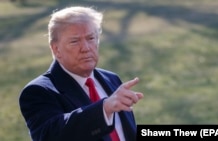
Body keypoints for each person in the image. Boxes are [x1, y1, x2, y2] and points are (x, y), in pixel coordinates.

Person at [19, 6, 144, 141]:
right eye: (75, 41)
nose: (86, 48)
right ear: (56, 49)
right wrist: (104, 108)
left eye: (91, 38)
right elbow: (51, 135)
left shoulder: (111, 79)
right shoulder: (38, 91)